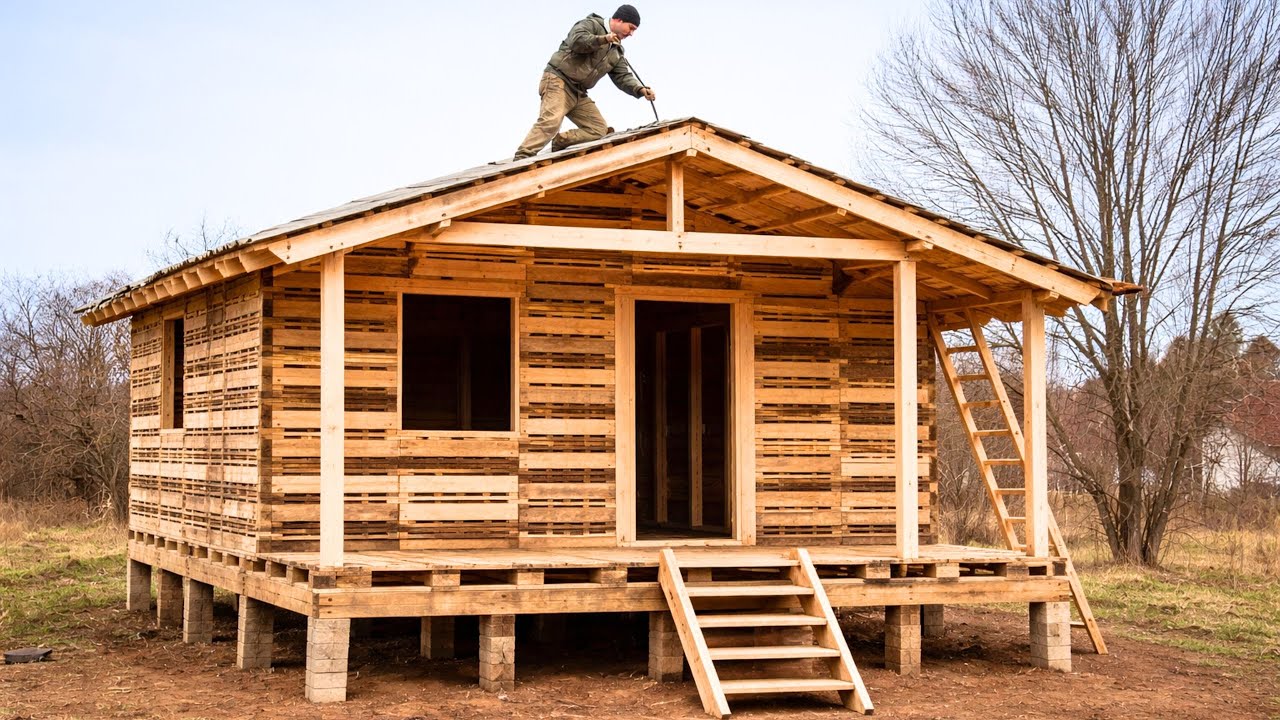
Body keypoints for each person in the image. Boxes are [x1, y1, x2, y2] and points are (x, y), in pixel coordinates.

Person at [513, 5, 657, 160]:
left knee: (598, 129)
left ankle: (561, 141)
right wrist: (603, 39)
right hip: (558, 80)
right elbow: (577, 41)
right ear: (619, 20)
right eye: (631, 28)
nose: (631, 34)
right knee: (551, 121)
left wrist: (640, 89)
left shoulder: (616, 50)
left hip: (579, 92)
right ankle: (521, 158)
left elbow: (622, 76)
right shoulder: (592, 24)